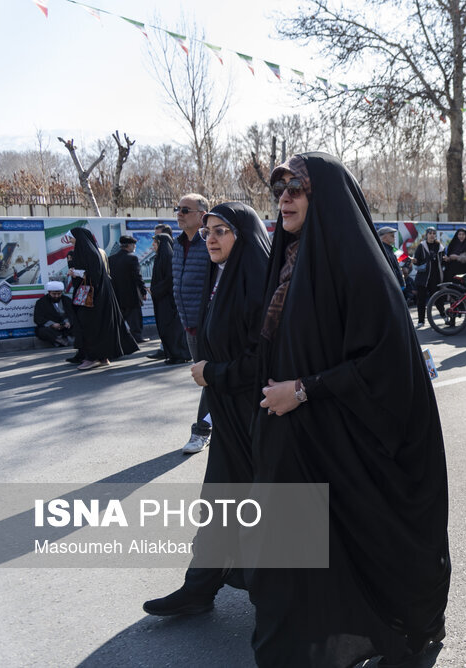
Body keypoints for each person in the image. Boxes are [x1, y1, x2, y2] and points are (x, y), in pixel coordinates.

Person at [247, 153, 450, 667]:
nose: (284, 198)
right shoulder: (290, 260)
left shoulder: (357, 265)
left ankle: (398, 633)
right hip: (297, 447)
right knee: (291, 579)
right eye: (279, 190)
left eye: (297, 188)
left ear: (326, 197)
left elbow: (384, 364)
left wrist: (305, 389)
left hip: (348, 446)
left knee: (367, 553)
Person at [143, 202, 271, 617]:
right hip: (230, 414)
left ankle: (277, 600)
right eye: (208, 231)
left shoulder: (258, 285)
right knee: (220, 502)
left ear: (244, 236)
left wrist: (212, 372)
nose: (210, 239)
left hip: (258, 419)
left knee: (262, 509)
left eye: (221, 231)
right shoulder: (224, 278)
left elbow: (264, 363)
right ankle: (199, 588)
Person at [173, 193, 213, 454]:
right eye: (177, 209)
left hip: (209, 325)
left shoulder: (210, 241)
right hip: (189, 325)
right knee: (208, 380)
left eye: (185, 209)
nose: (179, 213)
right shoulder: (177, 244)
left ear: (201, 215)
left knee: (208, 378)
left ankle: (202, 430)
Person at [67, 228, 138, 370]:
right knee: (97, 326)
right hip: (94, 298)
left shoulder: (91, 253)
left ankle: (93, 357)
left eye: (72, 238)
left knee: (91, 326)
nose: (70, 241)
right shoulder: (85, 252)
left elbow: (95, 274)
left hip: (95, 299)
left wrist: (76, 272)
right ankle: (101, 356)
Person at [149, 232, 192, 364]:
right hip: (162, 299)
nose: (153, 246)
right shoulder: (160, 257)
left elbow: (169, 279)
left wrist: (156, 290)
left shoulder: (168, 257)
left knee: (172, 329)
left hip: (169, 301)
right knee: (165, 328)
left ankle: (179, 354)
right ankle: (173, 354)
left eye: (155, 243)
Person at [107, 235, 148, 343]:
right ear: (129, 246)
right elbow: (137, 277)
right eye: (134, 245)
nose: (134, 247)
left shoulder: (111, 259)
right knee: (134, 319)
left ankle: (120, 339)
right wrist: (143, 291)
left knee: (120, 318)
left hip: (117, 295)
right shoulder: (132, 258)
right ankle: (137, 337)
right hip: (132, 295)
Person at [412, 226, 444, 325]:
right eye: (430, 233)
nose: (432, 235)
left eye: (434, 233)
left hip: (436, 278)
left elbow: (442, 260)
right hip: (423, 278)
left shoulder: (439, 246)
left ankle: (444, 315)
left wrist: (446, 259)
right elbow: (416, 261)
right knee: (421, 300)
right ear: (426, 235)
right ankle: (421, 320)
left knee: (438, 299)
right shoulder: (421, 246)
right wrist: (415, 261)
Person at [33, 281, 78, 349]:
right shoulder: (41, 302)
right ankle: (60, 340)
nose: (56, 296)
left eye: (59, 294)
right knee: (41, 331)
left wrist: (68, 322)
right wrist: (52, 324)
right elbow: (38, 318)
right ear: (49, 292)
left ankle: (63, 340)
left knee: (78, 325)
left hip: (66, 326)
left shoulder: (66, 300)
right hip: (51, 328)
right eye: (54, 294)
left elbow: (73, 314)